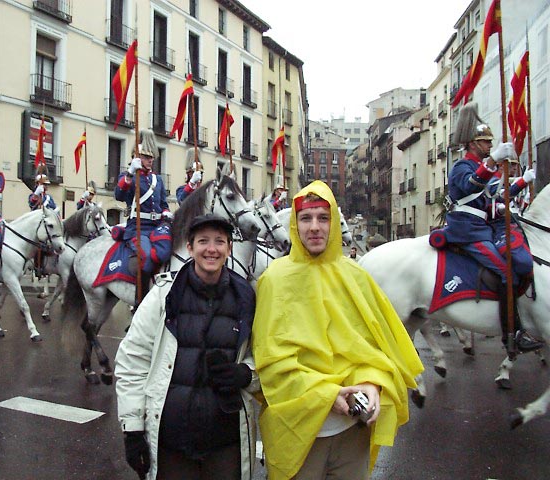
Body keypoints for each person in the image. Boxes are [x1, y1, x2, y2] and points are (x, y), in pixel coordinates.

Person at [252, 180, 423, 480]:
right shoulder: (274, 280)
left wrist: (371, 386)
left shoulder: (357, 278)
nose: (315, 227)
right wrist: (329, 395)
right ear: (294, 223)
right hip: (299, 430)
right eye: (306, 218)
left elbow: (379, 352)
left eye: (323, 217)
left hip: (350, 435)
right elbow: (271, 363)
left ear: (334, 222)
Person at [114, 214, 258, 480]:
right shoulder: (162, 295)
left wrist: (247, 374)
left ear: (229, 248)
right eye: (203, 241)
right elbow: (133, 360)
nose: (211, 249)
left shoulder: (247, 297)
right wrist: (132, 429)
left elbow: (262, 357)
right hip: (173, 440)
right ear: (190, 248)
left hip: (225, 439)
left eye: (219, 242)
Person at [446, 102, 542, 353]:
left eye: (490, 142)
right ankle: (512, 334)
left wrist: (522, 181)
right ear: (472, 144)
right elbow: (471, 185)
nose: (490, 145)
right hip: (467, 230)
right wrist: (493, 161)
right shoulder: (461, 167)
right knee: (506, 271)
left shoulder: (482, 168)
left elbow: (498, 196)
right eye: (486, 142)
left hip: (482, 228)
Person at [114, 130, 172, 298]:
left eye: (152, 157)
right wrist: (130, 173)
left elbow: (163, 204)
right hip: (138, 227)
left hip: (157, 227)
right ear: (136, 157)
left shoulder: (157, 179)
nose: (151, 160)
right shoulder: (128, 177)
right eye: (146, 157)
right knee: (145, 258)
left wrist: (166, 213)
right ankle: (141, 300)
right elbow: (119, 195)